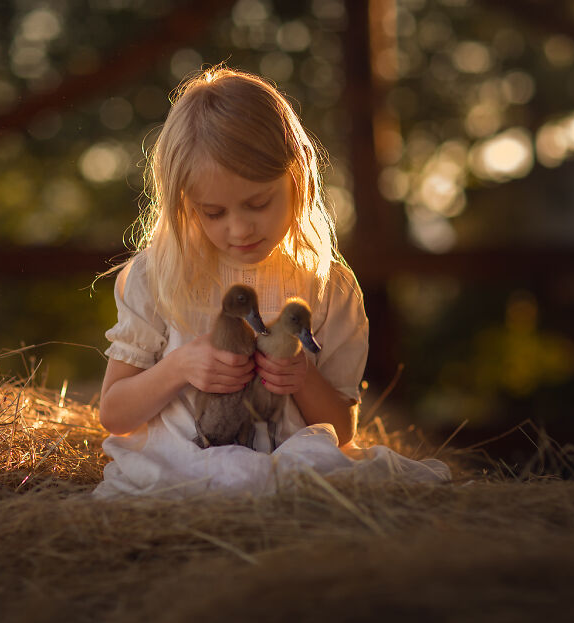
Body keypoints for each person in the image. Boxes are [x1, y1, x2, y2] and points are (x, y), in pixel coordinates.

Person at [95, 66, 449, 498]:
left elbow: (340, 429)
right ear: (185, 205)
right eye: (214, 212)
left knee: (313, 471)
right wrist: (179, 366)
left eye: (257, 203)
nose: (240, 228)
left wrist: (302, 377)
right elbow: (114, 414)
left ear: (296, 179)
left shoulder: (326, 285)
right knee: (236, 478)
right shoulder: (159, 275)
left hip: (293, 461)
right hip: (186, 462)